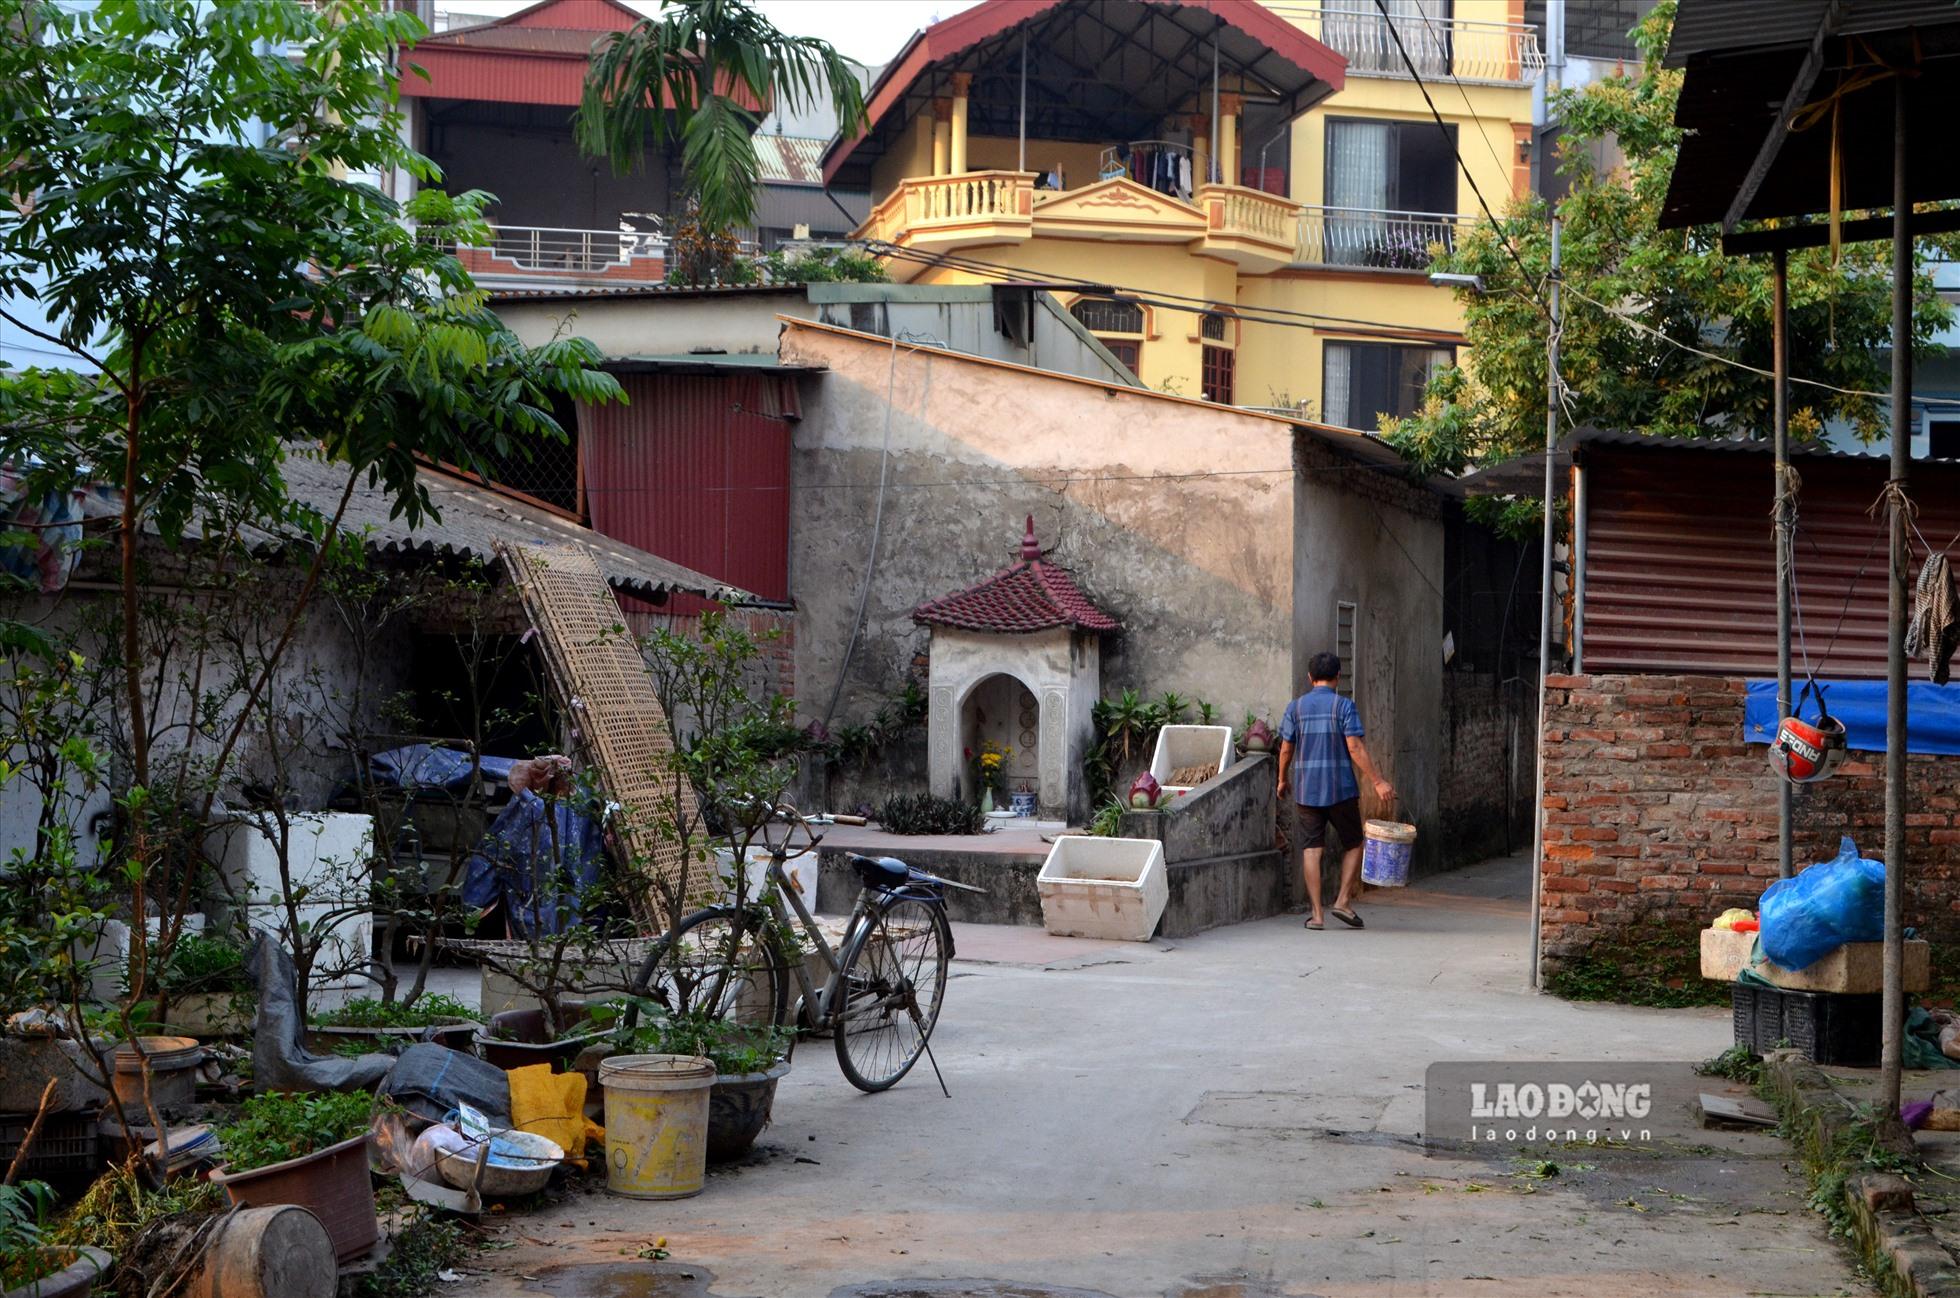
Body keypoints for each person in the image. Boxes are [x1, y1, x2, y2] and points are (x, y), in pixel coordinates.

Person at [1276, 651, 1394, 931]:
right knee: (1354, 843)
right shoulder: (1344, 707)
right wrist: (1377, 781)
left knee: (1311, 849)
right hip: (1340, 790)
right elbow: (1354, 747)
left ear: (1309, 678)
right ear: (1338, 677)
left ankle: (1316, 915)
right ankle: (1342, 900)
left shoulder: (1295, 708)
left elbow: (1285, 748)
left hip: (1307, 791)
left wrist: (1281, 780)